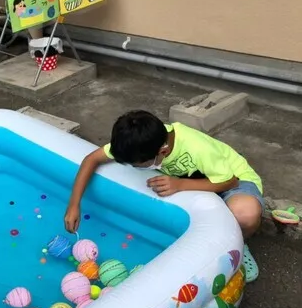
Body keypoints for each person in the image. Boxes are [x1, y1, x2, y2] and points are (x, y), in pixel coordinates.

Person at [64, 110, 262, 281]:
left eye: (137, 165)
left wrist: (180, 184)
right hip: (201, 182)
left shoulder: (197, 148)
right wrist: (74, 204)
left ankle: (240, 244)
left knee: (245, 214)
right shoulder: (139, 142)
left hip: (232, 180)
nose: (133, 168)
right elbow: (91, 160)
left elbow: (230, 180)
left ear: (163, 151)